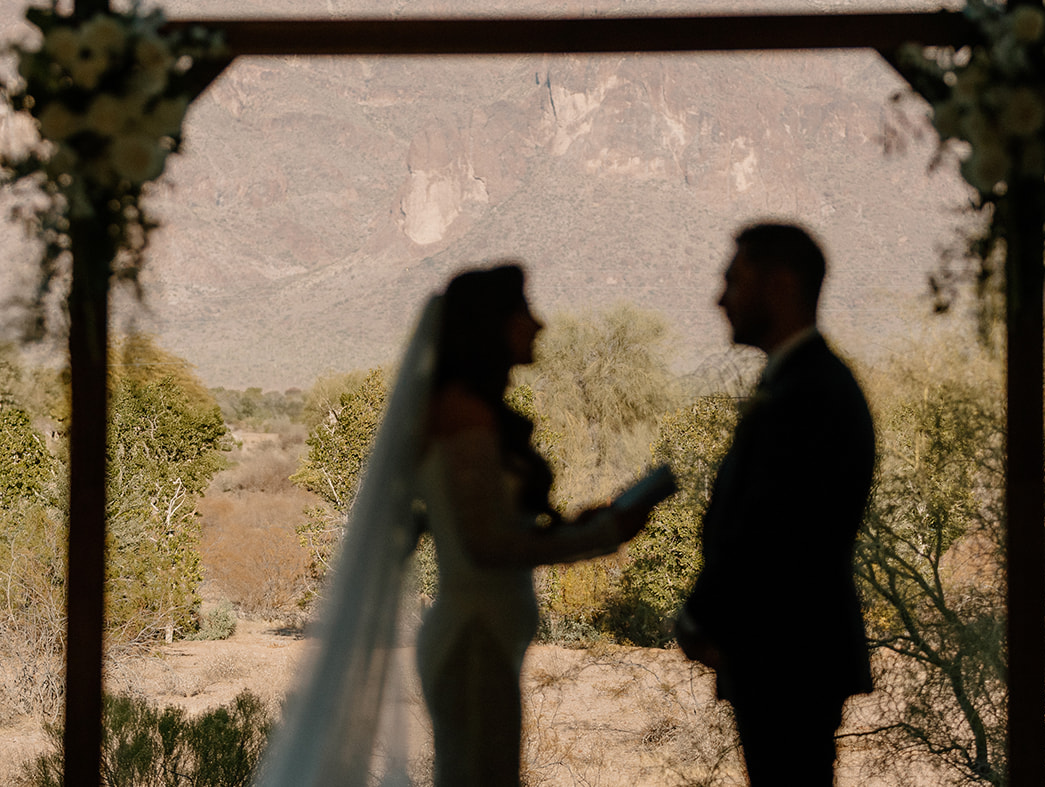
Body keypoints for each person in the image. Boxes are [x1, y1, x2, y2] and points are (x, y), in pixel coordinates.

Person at [254, 264, 656, 787]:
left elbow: (492, 520)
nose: (540, 325)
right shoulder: (463, 414)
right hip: (473, 643)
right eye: (524, 312)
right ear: (493, 325)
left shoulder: (476, 412)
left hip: (485, 639)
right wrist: (600, 536)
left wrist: (575, 525)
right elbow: (484, 544)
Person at [676, 222, 877, 786]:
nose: (720, 298)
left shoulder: (809, 392)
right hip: (782, 649)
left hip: (788, 651)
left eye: (734, 280)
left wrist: (700, 613)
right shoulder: (801, 382)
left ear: (780, 285)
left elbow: (776, 532)